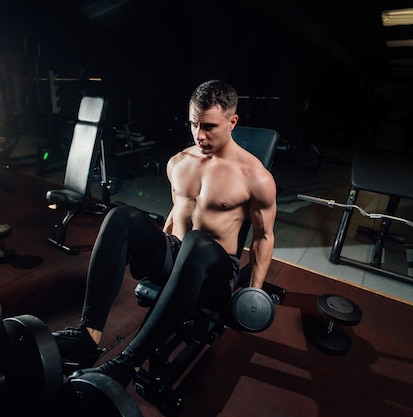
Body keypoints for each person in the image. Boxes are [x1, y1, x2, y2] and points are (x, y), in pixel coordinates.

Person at [52, 79, 277, 387]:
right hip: (178, 254)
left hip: (215, 273)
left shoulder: (255, 177)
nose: (199, 135)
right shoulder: (180, 162)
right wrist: (156, 245)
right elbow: (178, 212)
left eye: (209, 126)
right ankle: (87, 337)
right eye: (193, 124)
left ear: (232, 121)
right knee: (121, 217)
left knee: (198, 242)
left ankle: (125, 365)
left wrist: (254, 292)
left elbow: (264, 237)